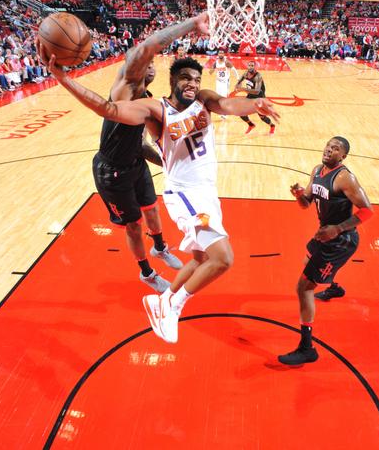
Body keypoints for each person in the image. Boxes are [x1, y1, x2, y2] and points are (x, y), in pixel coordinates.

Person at [42, 52, 279, 343]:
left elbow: (228, 105)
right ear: (173, 81)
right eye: (185, 78)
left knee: (201, 258)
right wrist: (64, 78)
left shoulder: (204, 100)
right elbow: (107, 109)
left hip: (206, 192)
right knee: (223, 259)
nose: (192, 84)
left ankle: (163, 298)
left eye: (195, 78)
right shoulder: (157, 110)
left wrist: (255, 103)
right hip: (185, 194)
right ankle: (173, 306)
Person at [39, 15, 221, 292]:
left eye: (151, 65)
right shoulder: (127, 84)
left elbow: (138, 145)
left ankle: (160, 248)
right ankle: (146, 273)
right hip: (112, 171)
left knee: (152, 209)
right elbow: (148, 47)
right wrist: (193, 24)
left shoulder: (147, 96)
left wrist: (168, 163)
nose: (148, 66)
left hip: (134, 163)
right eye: (144, 62)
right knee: (134, 226)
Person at [278, 137, 373, 365]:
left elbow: (367, 211)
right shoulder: (317, 170)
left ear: (343, 156)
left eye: (336, 149)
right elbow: (306, 203)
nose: (329, 150)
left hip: (341, 240)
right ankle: (334, 287)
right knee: (307, 261)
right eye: (328, 146)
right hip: (324, 233)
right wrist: (300, 194)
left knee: (303, 287)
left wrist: (338, 229)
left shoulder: (345, 178)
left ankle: (307, 347)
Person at [234, 60, 277, 134]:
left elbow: (257, 91)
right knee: (241, 112)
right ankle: (251, 125)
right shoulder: (246, 73)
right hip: (251, 95)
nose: (250, 67)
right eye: (249, 65)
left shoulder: (258, 76)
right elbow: (240, 80)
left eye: (252, 66)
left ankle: (272, 125)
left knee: (262, 117)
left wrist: (243, 89)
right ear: (247, 66)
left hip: (259, 97)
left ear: (255, 67)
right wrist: (237, 85)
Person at [208, 50, 239, 119]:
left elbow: (234, 70)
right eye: (219, 53)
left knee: (224, 97)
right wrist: (212, 68)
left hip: (225, 82)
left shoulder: (227, 62)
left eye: (222, 53)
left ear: (224, 54)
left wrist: (238, 79)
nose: (221, 54)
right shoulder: (215, 62)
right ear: (218, 54)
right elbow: (210, 72)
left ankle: (225, 113)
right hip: (218, 81)